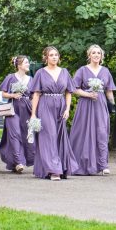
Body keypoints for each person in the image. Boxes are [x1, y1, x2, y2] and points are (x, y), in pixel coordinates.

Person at [28, 46, 79, 180]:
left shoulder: (64, 72)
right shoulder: (40, 73)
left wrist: (67, 109)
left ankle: (61, 167)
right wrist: (33, 114)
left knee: (59, 137)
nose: (54, 57)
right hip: (45, 105)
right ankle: (53, 170)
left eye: (56, 55)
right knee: (48, 137)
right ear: (46, 58)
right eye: (51, 55)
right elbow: (36, 94)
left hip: (61, 105)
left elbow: (69, 92)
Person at [70, 44, 116, 176]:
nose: (96, 55)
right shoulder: (82, 70)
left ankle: (103, 165)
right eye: (94, 53)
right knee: (84, 133)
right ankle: (81, 164)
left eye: (99, 53)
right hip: (85, 105)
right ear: (89, 55)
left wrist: (113, 106)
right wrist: (87, 94)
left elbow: (109, 91)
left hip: (100, 105)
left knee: (102, 132)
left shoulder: (106, 71)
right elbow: (74, 89)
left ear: (101, 56)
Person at [0, 55, 35, 173]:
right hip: (12, 109)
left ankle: (19, 160)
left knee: (25, 134)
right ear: (19, 65)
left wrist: (34, 112)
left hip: (27, 109)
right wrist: (13, 95)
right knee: (14, 134)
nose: (28, 64)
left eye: (28, 63)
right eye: (26, 63)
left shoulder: (31, 79)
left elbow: (33, 97)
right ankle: (18, 162)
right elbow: (2, 93)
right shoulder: (10, 77)